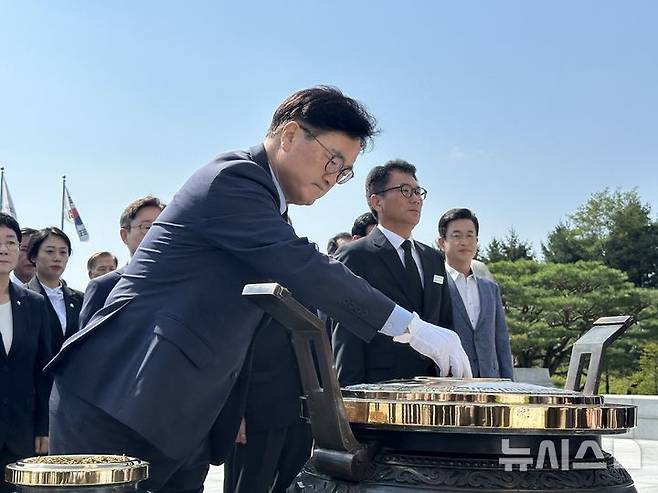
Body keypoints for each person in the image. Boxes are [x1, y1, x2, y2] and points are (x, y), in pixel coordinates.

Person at [47, 86, 470, 493]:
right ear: (290, 134)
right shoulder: (233, 180)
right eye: (332, 159)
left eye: (344, 171)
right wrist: (412, 328)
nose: (332, 178)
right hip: (122, 397)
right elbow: (309, 268)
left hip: (179, 416)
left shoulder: (268, 207)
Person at [332, 159, 455, 385]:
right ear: (376, 201)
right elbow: (346, 336)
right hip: (379, 389)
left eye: (418, 192)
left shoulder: (434, 258)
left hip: (433, 388)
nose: (416, 199)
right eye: (405, 191)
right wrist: (350, 398)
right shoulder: (356, 255)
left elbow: (445, 324)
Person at [0, 214, 52, 493]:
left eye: (11, 242)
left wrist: (42, 426)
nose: (3, 249)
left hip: (20, 435)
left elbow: (42, 371)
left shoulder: (34, 304)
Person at [437, 208, 514, 378]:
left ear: (477, 241)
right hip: (450, 381)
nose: (464, 241)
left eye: (470, 235)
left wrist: (509, 383)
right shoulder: (434, 286)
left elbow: (501, 341)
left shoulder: (490, 288)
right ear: (442, 242)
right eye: (457, 236)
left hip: (490, 383)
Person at [78, 195, 165, 329]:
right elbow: (85, 346)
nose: (156, 234)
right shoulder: (103, 287)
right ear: (125, 236)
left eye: (162, 227)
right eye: (147, 227)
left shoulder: (183, 283)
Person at [26, 227, 83, 353]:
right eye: (50, 251)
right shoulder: (21, 297)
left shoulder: (81, 299)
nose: (57, 258)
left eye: (63, 252)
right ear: (34, 256)